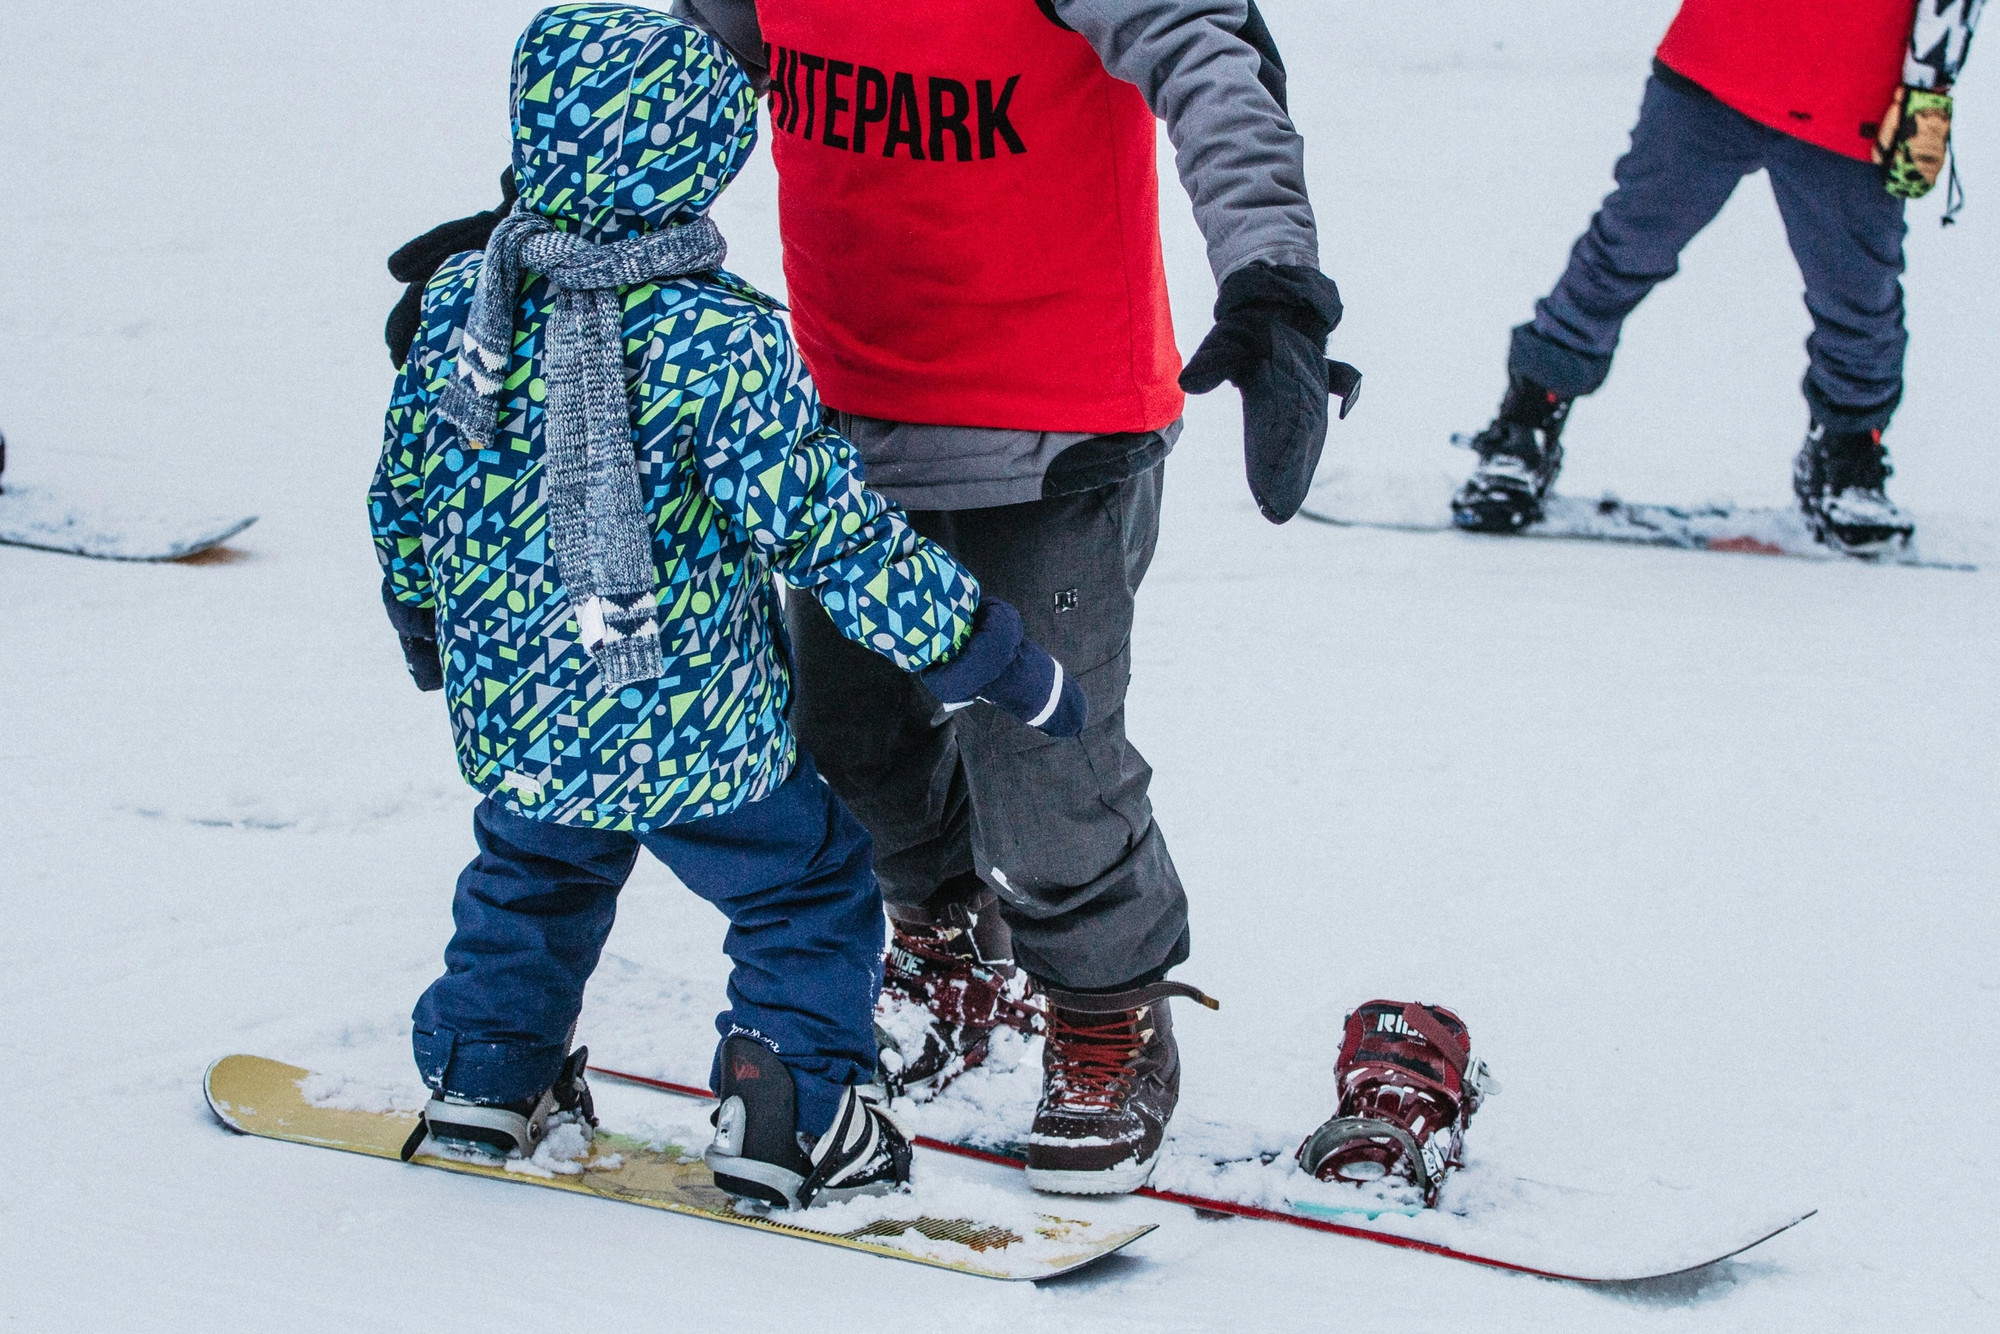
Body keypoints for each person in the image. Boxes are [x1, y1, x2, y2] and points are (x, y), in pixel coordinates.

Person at [386, 0, 1350, 1196]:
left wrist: (1274, 282)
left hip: (1049, 417)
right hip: (835, 406)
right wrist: (535, 251)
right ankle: (944, 951)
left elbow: (1212, 64)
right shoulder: (726, 352)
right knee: (845, 742)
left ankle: (1106, 1014)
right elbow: (659, 93)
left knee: (1044, 764)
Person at [1454, 0, 1985, 555]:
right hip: (1718, 68)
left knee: (1857, 295)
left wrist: (1935, 78)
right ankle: (1527, 420)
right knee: (1625, 251)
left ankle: (1849, 451)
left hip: (1856, 101)